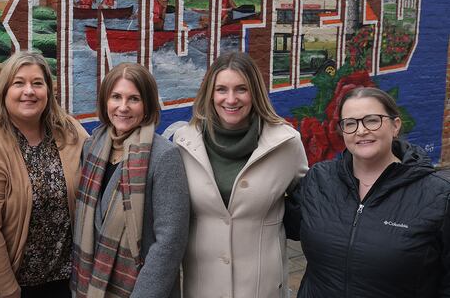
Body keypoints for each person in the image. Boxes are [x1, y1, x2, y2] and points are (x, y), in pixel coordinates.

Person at [286, 87, 450, 297]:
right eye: (350, 123)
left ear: (395, 126)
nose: (361, 131)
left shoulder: (438, 196)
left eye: (372, 120)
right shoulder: (319, 180)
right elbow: (279, 223)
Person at [173, 51, 308, 298]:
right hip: (202, 288)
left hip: (262, 288)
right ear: (210, 94)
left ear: (254, 92)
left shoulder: (285, 144)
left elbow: (310, 208)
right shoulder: (183, 144)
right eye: (222, 89)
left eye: (241, 89)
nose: (231, 99)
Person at [0, 51, 88, 298]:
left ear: (48, 91)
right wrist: (8, 289)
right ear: (4, 91)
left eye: (37, 83)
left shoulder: (69, 131)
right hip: (18, 284)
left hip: (68, 279)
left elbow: (103, 168)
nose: (29, 91)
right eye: (18, 83)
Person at [72, 63, 190, 298]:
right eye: (116, 97)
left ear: (146, 105)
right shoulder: (93, 147)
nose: (123, 107)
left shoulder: (164, 156)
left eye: (134, 99)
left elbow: (170, 243)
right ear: (106, 102)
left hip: (139, 289)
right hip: (92, 284)